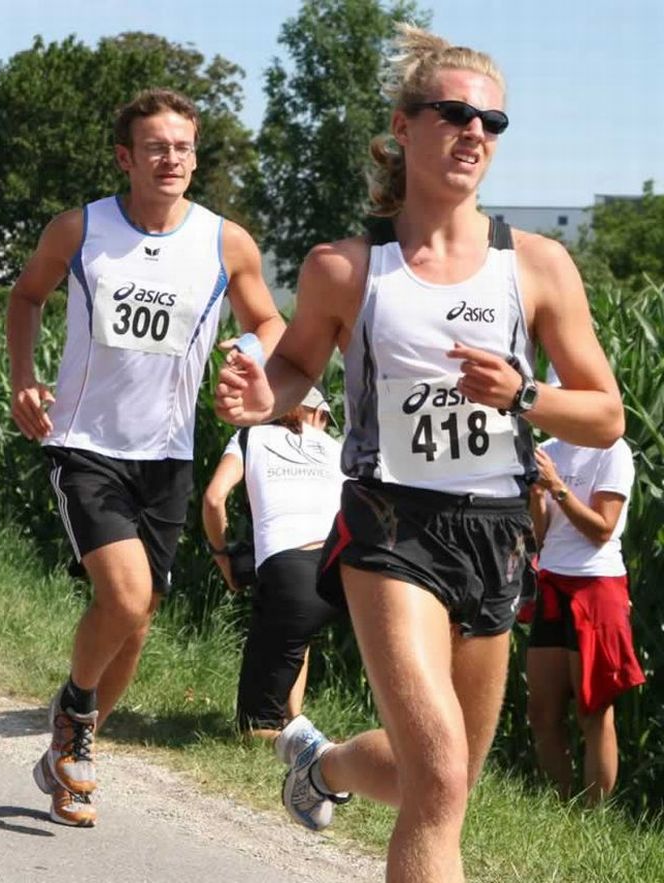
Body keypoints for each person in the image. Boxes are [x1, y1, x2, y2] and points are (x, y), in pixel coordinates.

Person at [213, 25, 625, 883]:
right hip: (391, 525)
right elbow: (294, 368)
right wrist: (263, 396)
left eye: (492, 122)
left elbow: (606, 415)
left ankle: (323, 765)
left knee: (444, 777)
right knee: (438, 776)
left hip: (498, 531)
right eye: (454, 115)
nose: (476, 133)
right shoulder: (346, 267)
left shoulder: (537, 266)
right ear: (404, 127)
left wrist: (524, 394)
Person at [7, 88, 283, 828]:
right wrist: (23, 378)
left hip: (167, 455)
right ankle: (75, 715)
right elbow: (27, 297)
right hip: (85, 444)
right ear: (125, 158)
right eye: (156, 147)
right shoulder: (80, 229)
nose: (172, 159)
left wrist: (248, 356)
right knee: (126, 597)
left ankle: (70, 752)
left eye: (183, 147)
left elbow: (268, 321)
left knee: (138, 621)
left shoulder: (226, 243)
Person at [525, 371, 642, 806]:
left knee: (593, 710)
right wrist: (537, 497)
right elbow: (540, 536)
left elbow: (602, 530)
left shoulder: (612, 450)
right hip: (553, 580)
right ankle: (561, 804)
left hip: (596, 584)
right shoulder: (548, 450)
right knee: (541, 712)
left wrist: (557, 486)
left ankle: (594, 814)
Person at [202, 388, 343, 741]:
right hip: (340, 571)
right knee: (295, 633)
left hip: (289, 571)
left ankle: (323, 754)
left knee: (252, 727)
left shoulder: (250, 437)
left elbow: (214, 499)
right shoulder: (335, 448)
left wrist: (222, 555)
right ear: (318, 414)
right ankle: (296, 722)